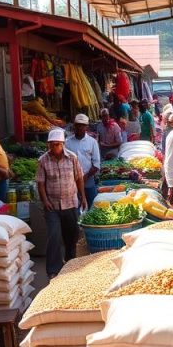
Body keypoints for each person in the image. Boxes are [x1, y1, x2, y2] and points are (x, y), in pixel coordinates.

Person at [37, 129, 87, 278]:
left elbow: (79, 178)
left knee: (71, 236)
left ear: (63, 144)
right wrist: (45, 201)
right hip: (52, 205)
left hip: (70, 203)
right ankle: (53, 270)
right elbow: (40, 183)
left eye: (57, 145)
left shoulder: (72, 158)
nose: (54, 148)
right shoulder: (43, 160)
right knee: (54, 235)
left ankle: (70, 264)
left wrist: (83, 196)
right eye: (51, 145)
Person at [65, 114, 101, 207]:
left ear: (86, 127)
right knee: (75, 207)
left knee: (92, 206)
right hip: (71, 181)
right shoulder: (67, 142)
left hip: (88, 179)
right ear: (74, 126)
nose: (80, 127)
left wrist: (85, 177)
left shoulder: (92, 142)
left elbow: (96, 164)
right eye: (78, 125)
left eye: (82, 125)